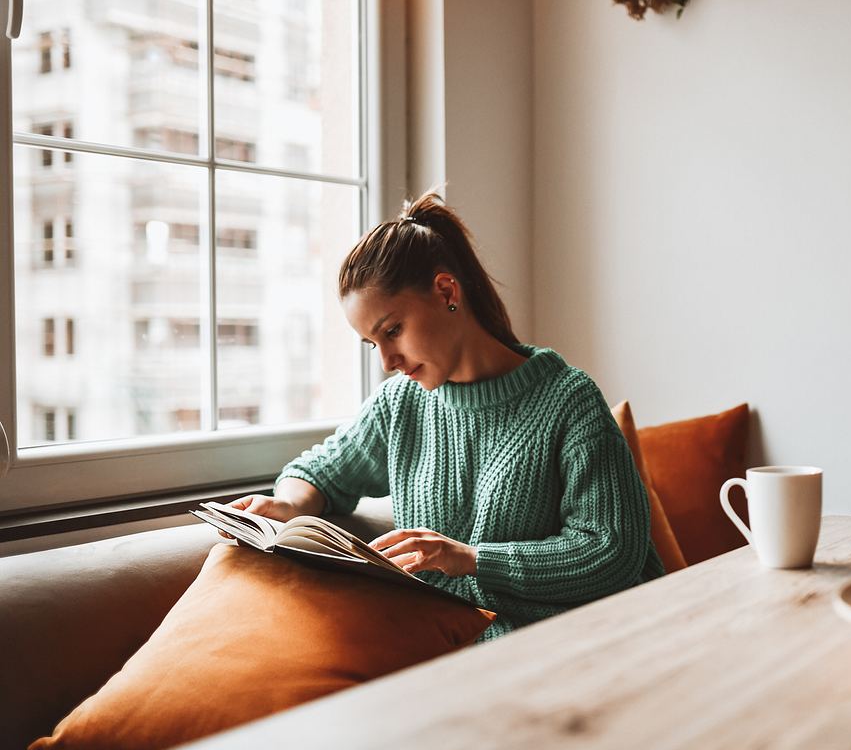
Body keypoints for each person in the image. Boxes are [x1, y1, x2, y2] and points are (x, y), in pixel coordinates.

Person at [230, 189, 664, 640]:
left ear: (445, 291)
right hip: (467, 654)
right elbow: (319, 470)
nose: (387, 361)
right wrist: (291, 504)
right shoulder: (400, 404)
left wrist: (470, 559)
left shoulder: (567, 400)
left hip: (600, 639)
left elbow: (611, 553)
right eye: (372, 344)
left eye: (392, 331)